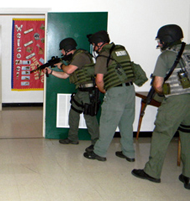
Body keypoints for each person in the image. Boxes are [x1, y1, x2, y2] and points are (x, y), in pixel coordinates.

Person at [132, 24, 190, 189]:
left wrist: (163, 94)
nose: (159, 43)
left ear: (167, 39)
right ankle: (188, 176)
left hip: (176, 101)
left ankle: (152, 172)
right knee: (187, 135)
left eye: (160, 40)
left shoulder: (166, 56)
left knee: (161, 134)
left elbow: (158, 85)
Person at [83, 30, 136, 162]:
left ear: (100, 44)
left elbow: (99, 80)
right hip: (130, 90)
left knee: (107, 123)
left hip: (116, 92)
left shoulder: (103, 55)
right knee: (126, 124)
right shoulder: (121, 50)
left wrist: (104, 91)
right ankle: (129, 153)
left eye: (95, 45)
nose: (94, 48)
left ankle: (99, 152)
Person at [44, 38, 99, 150]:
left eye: (63, 50)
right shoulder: (74, 59)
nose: (62, 53)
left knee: (89, 118)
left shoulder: (80, 56)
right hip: (81, 91)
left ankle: (97, 143)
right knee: (73, 114)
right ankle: (72, 138)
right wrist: (51, 72)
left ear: (68, 49)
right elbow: (65, 75)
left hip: (88, 91)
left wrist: (61, 65)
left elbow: (68, 71)